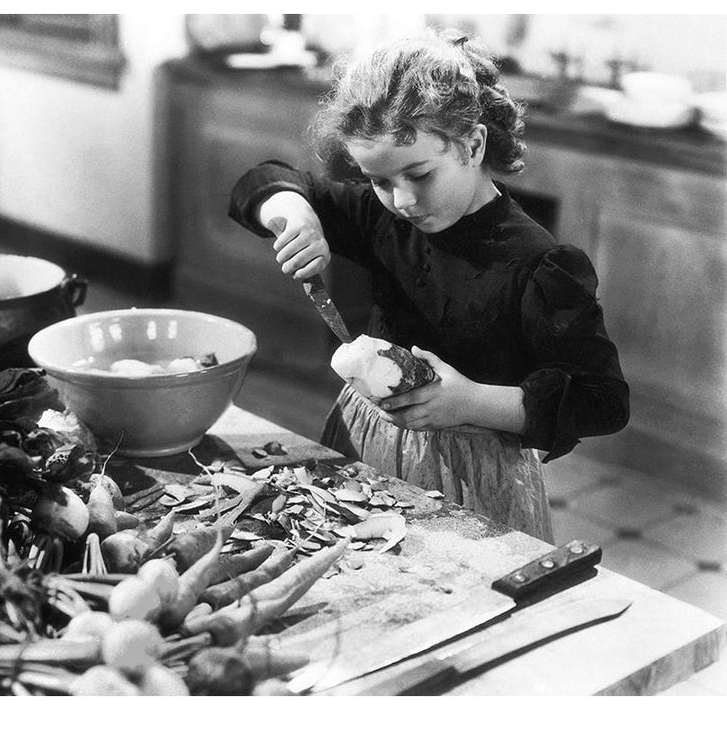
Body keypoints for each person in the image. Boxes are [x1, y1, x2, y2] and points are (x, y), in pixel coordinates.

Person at [228, 29, 629, 542]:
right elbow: (260, 181)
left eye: (419, 174)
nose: (403, 200)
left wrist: (471, 402)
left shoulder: (541, 263)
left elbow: (604, 400)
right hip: (365, 441)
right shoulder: (382, 215)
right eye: (380, 181)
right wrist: (293, 211)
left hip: (476, 474)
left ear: (473, 144)